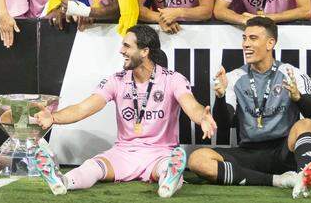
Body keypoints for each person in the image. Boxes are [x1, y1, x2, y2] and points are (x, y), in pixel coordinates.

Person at [29, 25, 215, 198]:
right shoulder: (116, 80)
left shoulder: (173, 79)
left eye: (127, 46)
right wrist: (53, 117)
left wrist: (202, 117)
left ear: (144, 51)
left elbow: (191, 105)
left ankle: (168, 181)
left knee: (167, 167)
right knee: (92, 166)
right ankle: (63, 181)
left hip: (161, 153)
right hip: (123, 153)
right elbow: (83, 108)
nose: (121, 51)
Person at [186, 17, 311, 198]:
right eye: (244, 38)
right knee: (197, 160)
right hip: (248, 152)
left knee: (305, 124)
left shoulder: (292, 73)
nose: (245, 44)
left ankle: (303, 174)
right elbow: (225, 125)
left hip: (284, 152)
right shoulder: (234, 77)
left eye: (253, 38)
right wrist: (220, 97)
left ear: (270, 43)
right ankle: (279, 180)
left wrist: (299, 98)